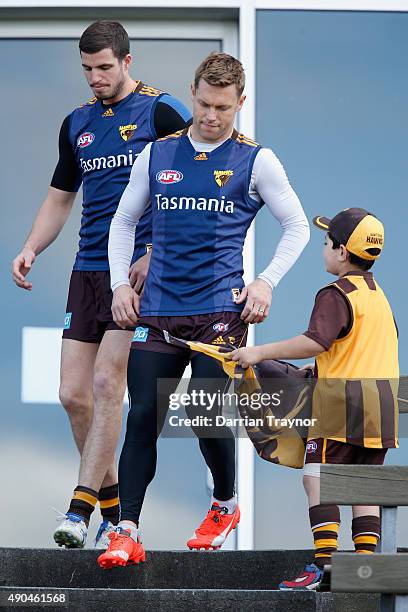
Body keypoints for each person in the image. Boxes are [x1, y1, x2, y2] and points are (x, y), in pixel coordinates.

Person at [98, 52, 310, 568]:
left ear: (241, 103)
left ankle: (224, 503)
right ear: (192, 92)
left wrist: (265, 281)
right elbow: (124, 222)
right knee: (142, 415)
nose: (211, 116)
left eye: (223, 107)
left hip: (219, 312)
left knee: (203, 410)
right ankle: (125, 530)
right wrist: (119, 286)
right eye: (203, 104)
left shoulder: (257, 160)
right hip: (158, 312)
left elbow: (298, 227)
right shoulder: (158, 154)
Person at [11, 20, 191, 549]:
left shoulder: (162, 111)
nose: (96, 77)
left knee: (110, 385)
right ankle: (113, 510)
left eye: (105, 68)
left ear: (127, 62)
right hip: (87, 268)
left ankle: (79, 507)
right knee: (72, 394)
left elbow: (195, 183)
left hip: (137, 272)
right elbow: (60, 196)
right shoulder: (77, 122)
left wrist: (157, 252)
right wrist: (31, 247)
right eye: (87, 69)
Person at [231, 207, 399, 590]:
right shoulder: (378, 296)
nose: (323, 248)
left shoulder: (335, 293)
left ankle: (324, 568)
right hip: (380, 411)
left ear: (342, 252)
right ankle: (364, 570)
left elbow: (315, 341)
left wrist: (258, 353)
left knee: (316, 479)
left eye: (326, 242)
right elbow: (362, 349)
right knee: (363, 487)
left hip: (339, 407)